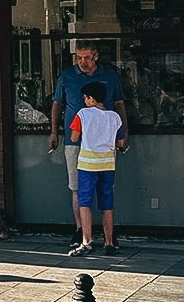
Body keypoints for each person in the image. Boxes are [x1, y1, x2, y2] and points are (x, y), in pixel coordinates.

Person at [49, 43, 127, 247]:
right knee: (76, 188)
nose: (82, 62)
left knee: (103, 190)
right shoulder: (67, 76)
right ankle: (81, 231)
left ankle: (106, 235)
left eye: (86, 58)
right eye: (78, 58)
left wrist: (123, 133)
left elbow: (120, 103)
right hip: (76, 146)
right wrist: (54, 131)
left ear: (96, 57)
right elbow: (58, 103)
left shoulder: (109, 76)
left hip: (104, 144)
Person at [67, 81, 127, 257]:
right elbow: (121, 142)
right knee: (106, 203)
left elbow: (74, 136)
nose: (84, 100)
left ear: (92, 99)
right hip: (108, 164)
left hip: (87, 164)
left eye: (85, 97)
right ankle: (109, 242)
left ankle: (87, 241)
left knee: (85, 202)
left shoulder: (83, 114)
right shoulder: (115, 117)